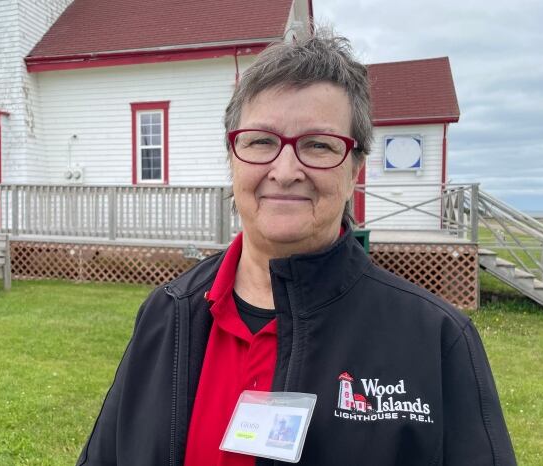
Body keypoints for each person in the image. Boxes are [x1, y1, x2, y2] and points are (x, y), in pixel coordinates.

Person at [77, 30, 516, 466]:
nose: (285, 171)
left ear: (355, 169)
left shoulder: (435, 339)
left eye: (319, 145)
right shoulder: (167, 313)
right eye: (261, 141)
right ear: (232, 157)